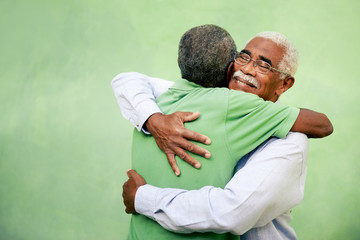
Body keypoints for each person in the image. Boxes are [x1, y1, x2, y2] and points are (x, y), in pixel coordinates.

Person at [112, 26, 333, 240]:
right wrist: (154, 119)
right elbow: (129, 80)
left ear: (284, 84)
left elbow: (229, 213)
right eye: (243, 57)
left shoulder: (289, 143)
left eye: (263, 66)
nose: (246, 69)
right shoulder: (206, 100)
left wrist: (142, 197)